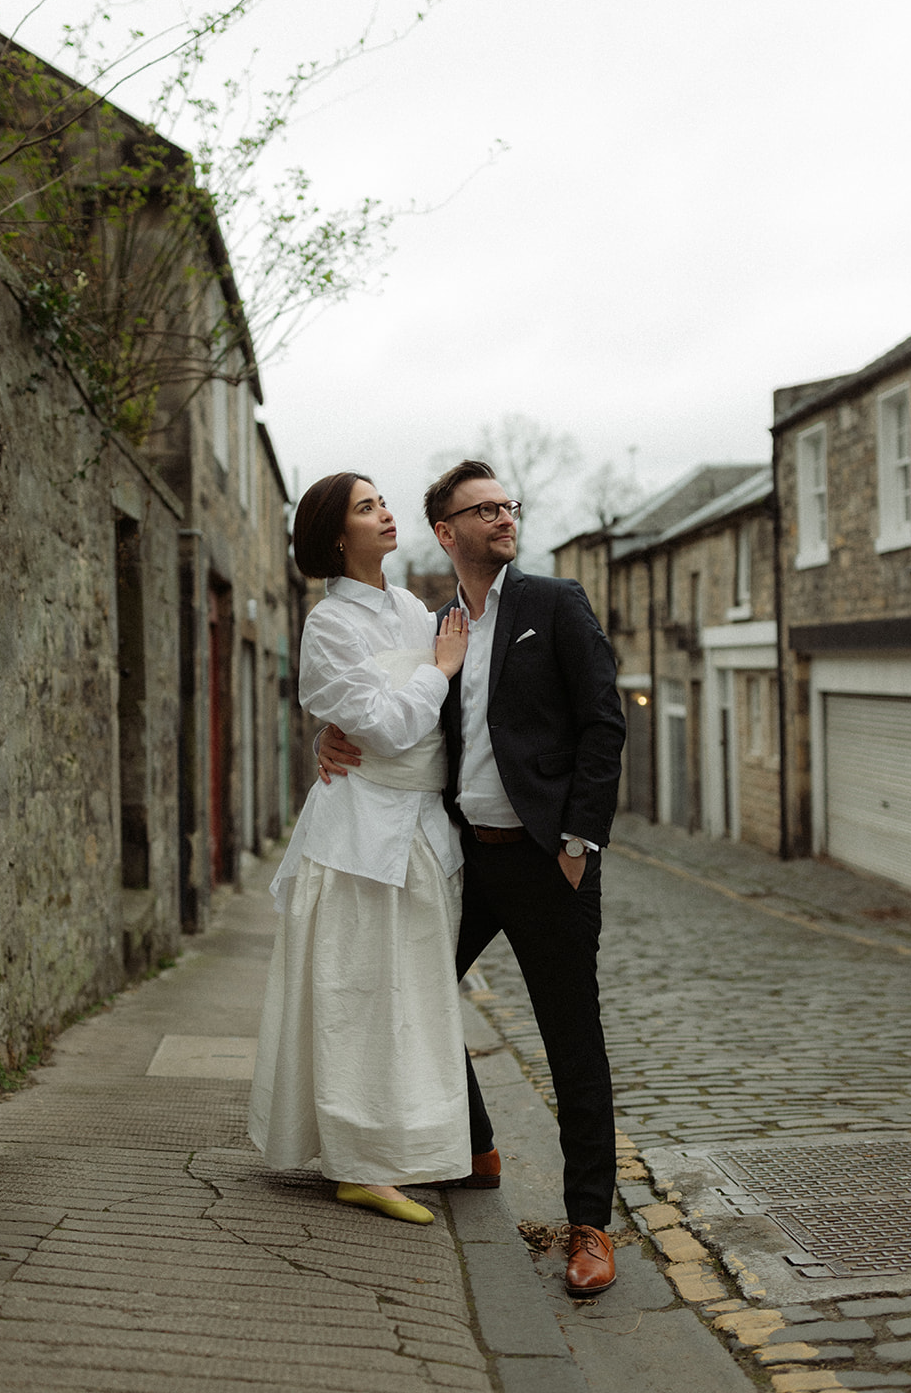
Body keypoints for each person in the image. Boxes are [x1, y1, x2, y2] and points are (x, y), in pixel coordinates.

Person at [318, 460, 626, 1294]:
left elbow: (604, 722)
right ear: (445, 532)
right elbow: (401, 712)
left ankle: (589, 1227)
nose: (501, 517)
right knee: (415, 994)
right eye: (480, 509)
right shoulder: (436, 626)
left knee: (571, 1041)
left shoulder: (552, 604)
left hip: (544, 862)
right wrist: (332, 737)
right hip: (463, 859)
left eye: (505, 506)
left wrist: (577, 843)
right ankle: (478, 1149)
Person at [248, 471, 471, 1226]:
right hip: (356, 837)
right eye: (366, 507)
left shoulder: (411, 606)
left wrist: (427, 684)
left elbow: (421, 721)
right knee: (354, 997)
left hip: (418, 827)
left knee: (408, 999)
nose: (384, 512)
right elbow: (380, 729)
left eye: (382, 502)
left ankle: (398, 1149)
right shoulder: (328, 625)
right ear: (336, 536)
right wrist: (437, 673)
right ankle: (355, 1164)